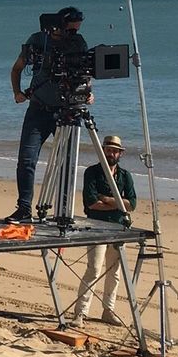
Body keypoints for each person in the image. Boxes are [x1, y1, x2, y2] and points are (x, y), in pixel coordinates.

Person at [7, 6, 91, 223]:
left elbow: (85, 72)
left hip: (68, 110)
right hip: (38, 110)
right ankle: (24, 208)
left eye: (76, 29)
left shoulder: (79, 43)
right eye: (69, 29)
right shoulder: (37, 40)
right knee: (26, 160)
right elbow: (16, 68)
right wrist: (17, 92)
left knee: (67, 162)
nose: (72, 34)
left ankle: (63, 211)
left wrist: (87, 92)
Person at [73, 133, 138, 325]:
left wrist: (109, 200)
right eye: (108, 150)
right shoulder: (92, 172)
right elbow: (91, 203)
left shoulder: (125, 175)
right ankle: (80, 312)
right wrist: (119, 203)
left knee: (114, 272)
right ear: (103, 151)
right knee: (93, 269)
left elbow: (132, 204)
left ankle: (108, 311)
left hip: (119, 227)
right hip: (96, 227)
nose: (111, 154)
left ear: (120, 154)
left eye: (115, 151)